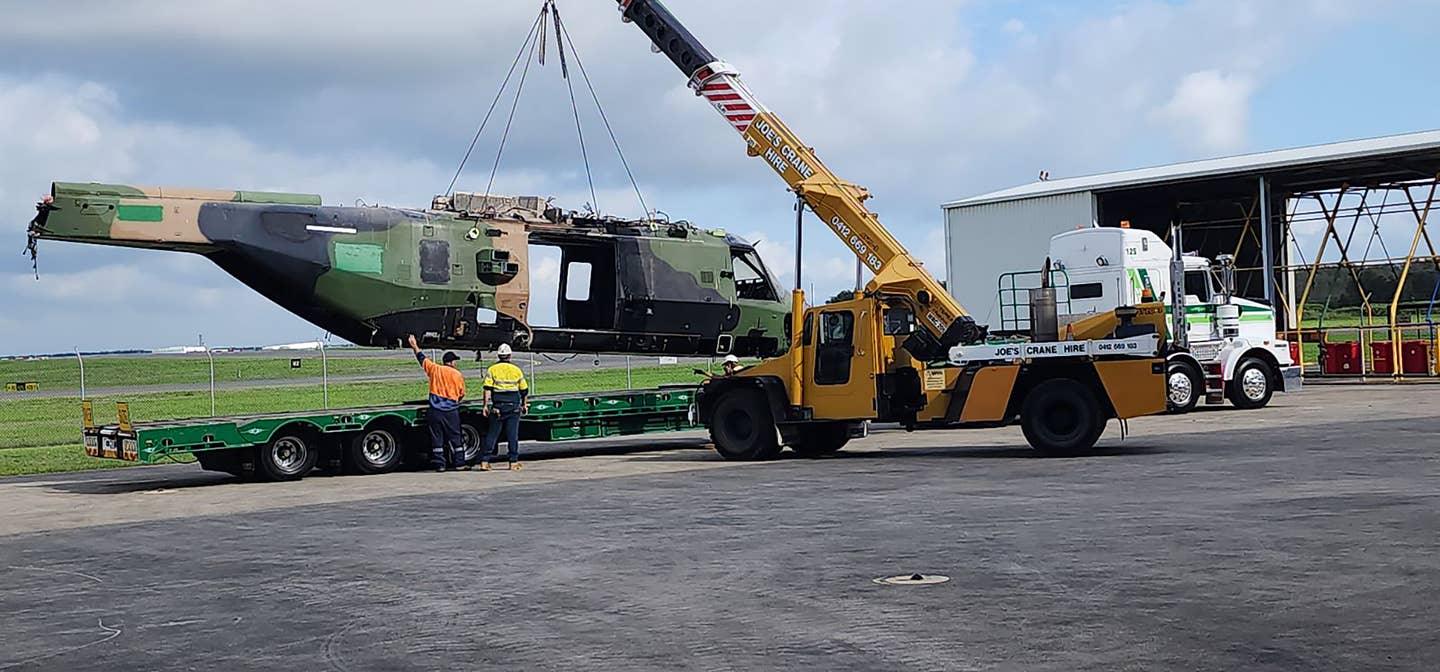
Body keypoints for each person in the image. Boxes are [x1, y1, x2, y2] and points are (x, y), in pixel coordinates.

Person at [407, 334, 468, 472]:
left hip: (435, 411)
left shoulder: (435, 369)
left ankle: (440, 465)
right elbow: (461, 394)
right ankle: (459, 463)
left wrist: (414, 346)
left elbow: (421, 359)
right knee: (456, 438)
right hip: (450, 411)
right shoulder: (457, 374)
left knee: (437, 439)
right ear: (451, 362)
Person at [481, 343, 529, 471]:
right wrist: (524, 404)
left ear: (498, 355)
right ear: (510, 355)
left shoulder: (492, 369)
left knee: (492, 435)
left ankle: (485, 461)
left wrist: (485, 405)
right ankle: (513, 462)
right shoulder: (516, 370)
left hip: (498, 407)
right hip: (513, 407)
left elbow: (487, 389)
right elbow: (524, 390)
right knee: (512, 436)